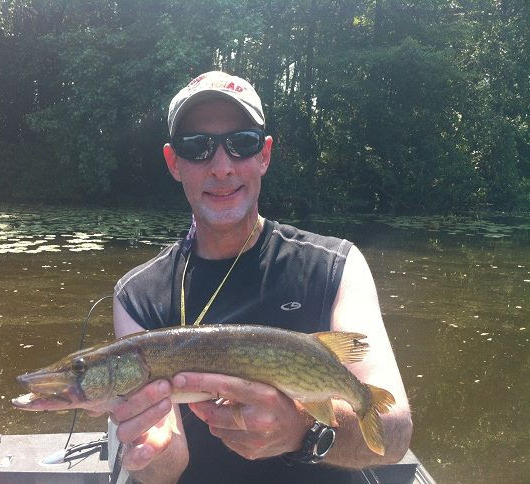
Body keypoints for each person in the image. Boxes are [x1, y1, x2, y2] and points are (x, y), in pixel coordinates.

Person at [110, 71, 412, 483]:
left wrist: (303, 429)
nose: (221, 167)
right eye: (197, 147)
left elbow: (394, 435)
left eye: (242, 143)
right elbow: (166, 465)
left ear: (264, 155)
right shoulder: (137, 295)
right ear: (174, 162)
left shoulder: (337, 266)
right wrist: (153, 453)